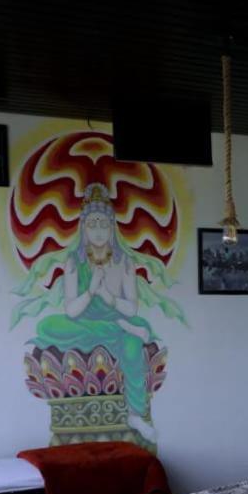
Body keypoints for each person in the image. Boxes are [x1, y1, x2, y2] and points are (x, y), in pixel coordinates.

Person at [29, 184, 158, 442]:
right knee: (47, 326)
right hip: (88, 323)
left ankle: (136, 415)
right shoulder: (74, 262)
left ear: (112, 229)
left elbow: (132, 307)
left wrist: (107, 296)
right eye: (92, 225)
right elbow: (71, 311)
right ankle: (123, 328)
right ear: (84, 230)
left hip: (116, 319)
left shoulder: (124, 262)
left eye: (103, 225)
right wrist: (90, 291)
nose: (98, 231)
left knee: (134, 345)